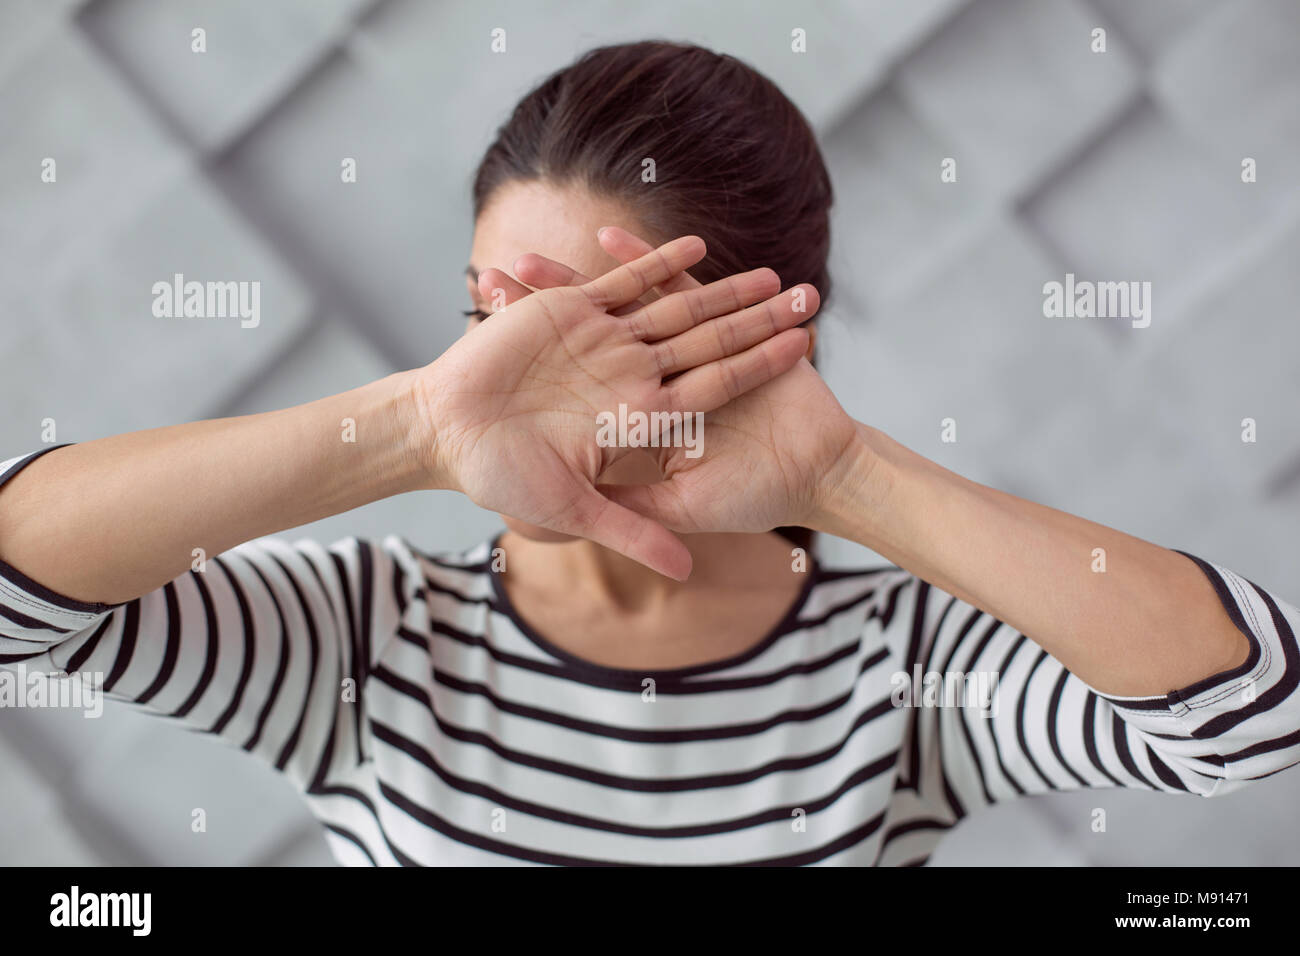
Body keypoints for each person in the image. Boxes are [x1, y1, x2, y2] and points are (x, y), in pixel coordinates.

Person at [1, 41, 1297, 866]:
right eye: (488, 321)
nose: (513, 379)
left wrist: (850, 479)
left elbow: (1259, 725)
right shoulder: (368, 638)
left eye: (593, 330)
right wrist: (411, 431)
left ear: (756, 339)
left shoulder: (903, 669)